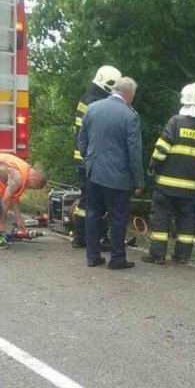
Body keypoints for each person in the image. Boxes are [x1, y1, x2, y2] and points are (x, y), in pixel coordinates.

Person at [142, 83, 195, 265]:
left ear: (183, 99)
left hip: (166, 185)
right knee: (187, 222)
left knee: (160, 218)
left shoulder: (175, 122)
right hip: (189, 189)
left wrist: (153, 166)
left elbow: (161, 150)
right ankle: (182, 256)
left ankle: (157, 255)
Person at [77, 76, 144, 269]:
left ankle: (92, 256)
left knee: (92, 214)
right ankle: (117, 259)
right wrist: (139, 181)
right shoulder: (130, 116)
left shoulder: (92, 108)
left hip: (93, 173)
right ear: (129, 94)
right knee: (118, 217)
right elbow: (134, 152)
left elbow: (82, 140)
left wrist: (89, 160)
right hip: (117, 177)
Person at [71, 65, 121, 248]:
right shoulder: (97, 103)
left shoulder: (86, 99)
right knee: (99, 202)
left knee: (86, 200)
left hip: (83, 158)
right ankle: (98, 238)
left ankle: (80, 237)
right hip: (93, 160)